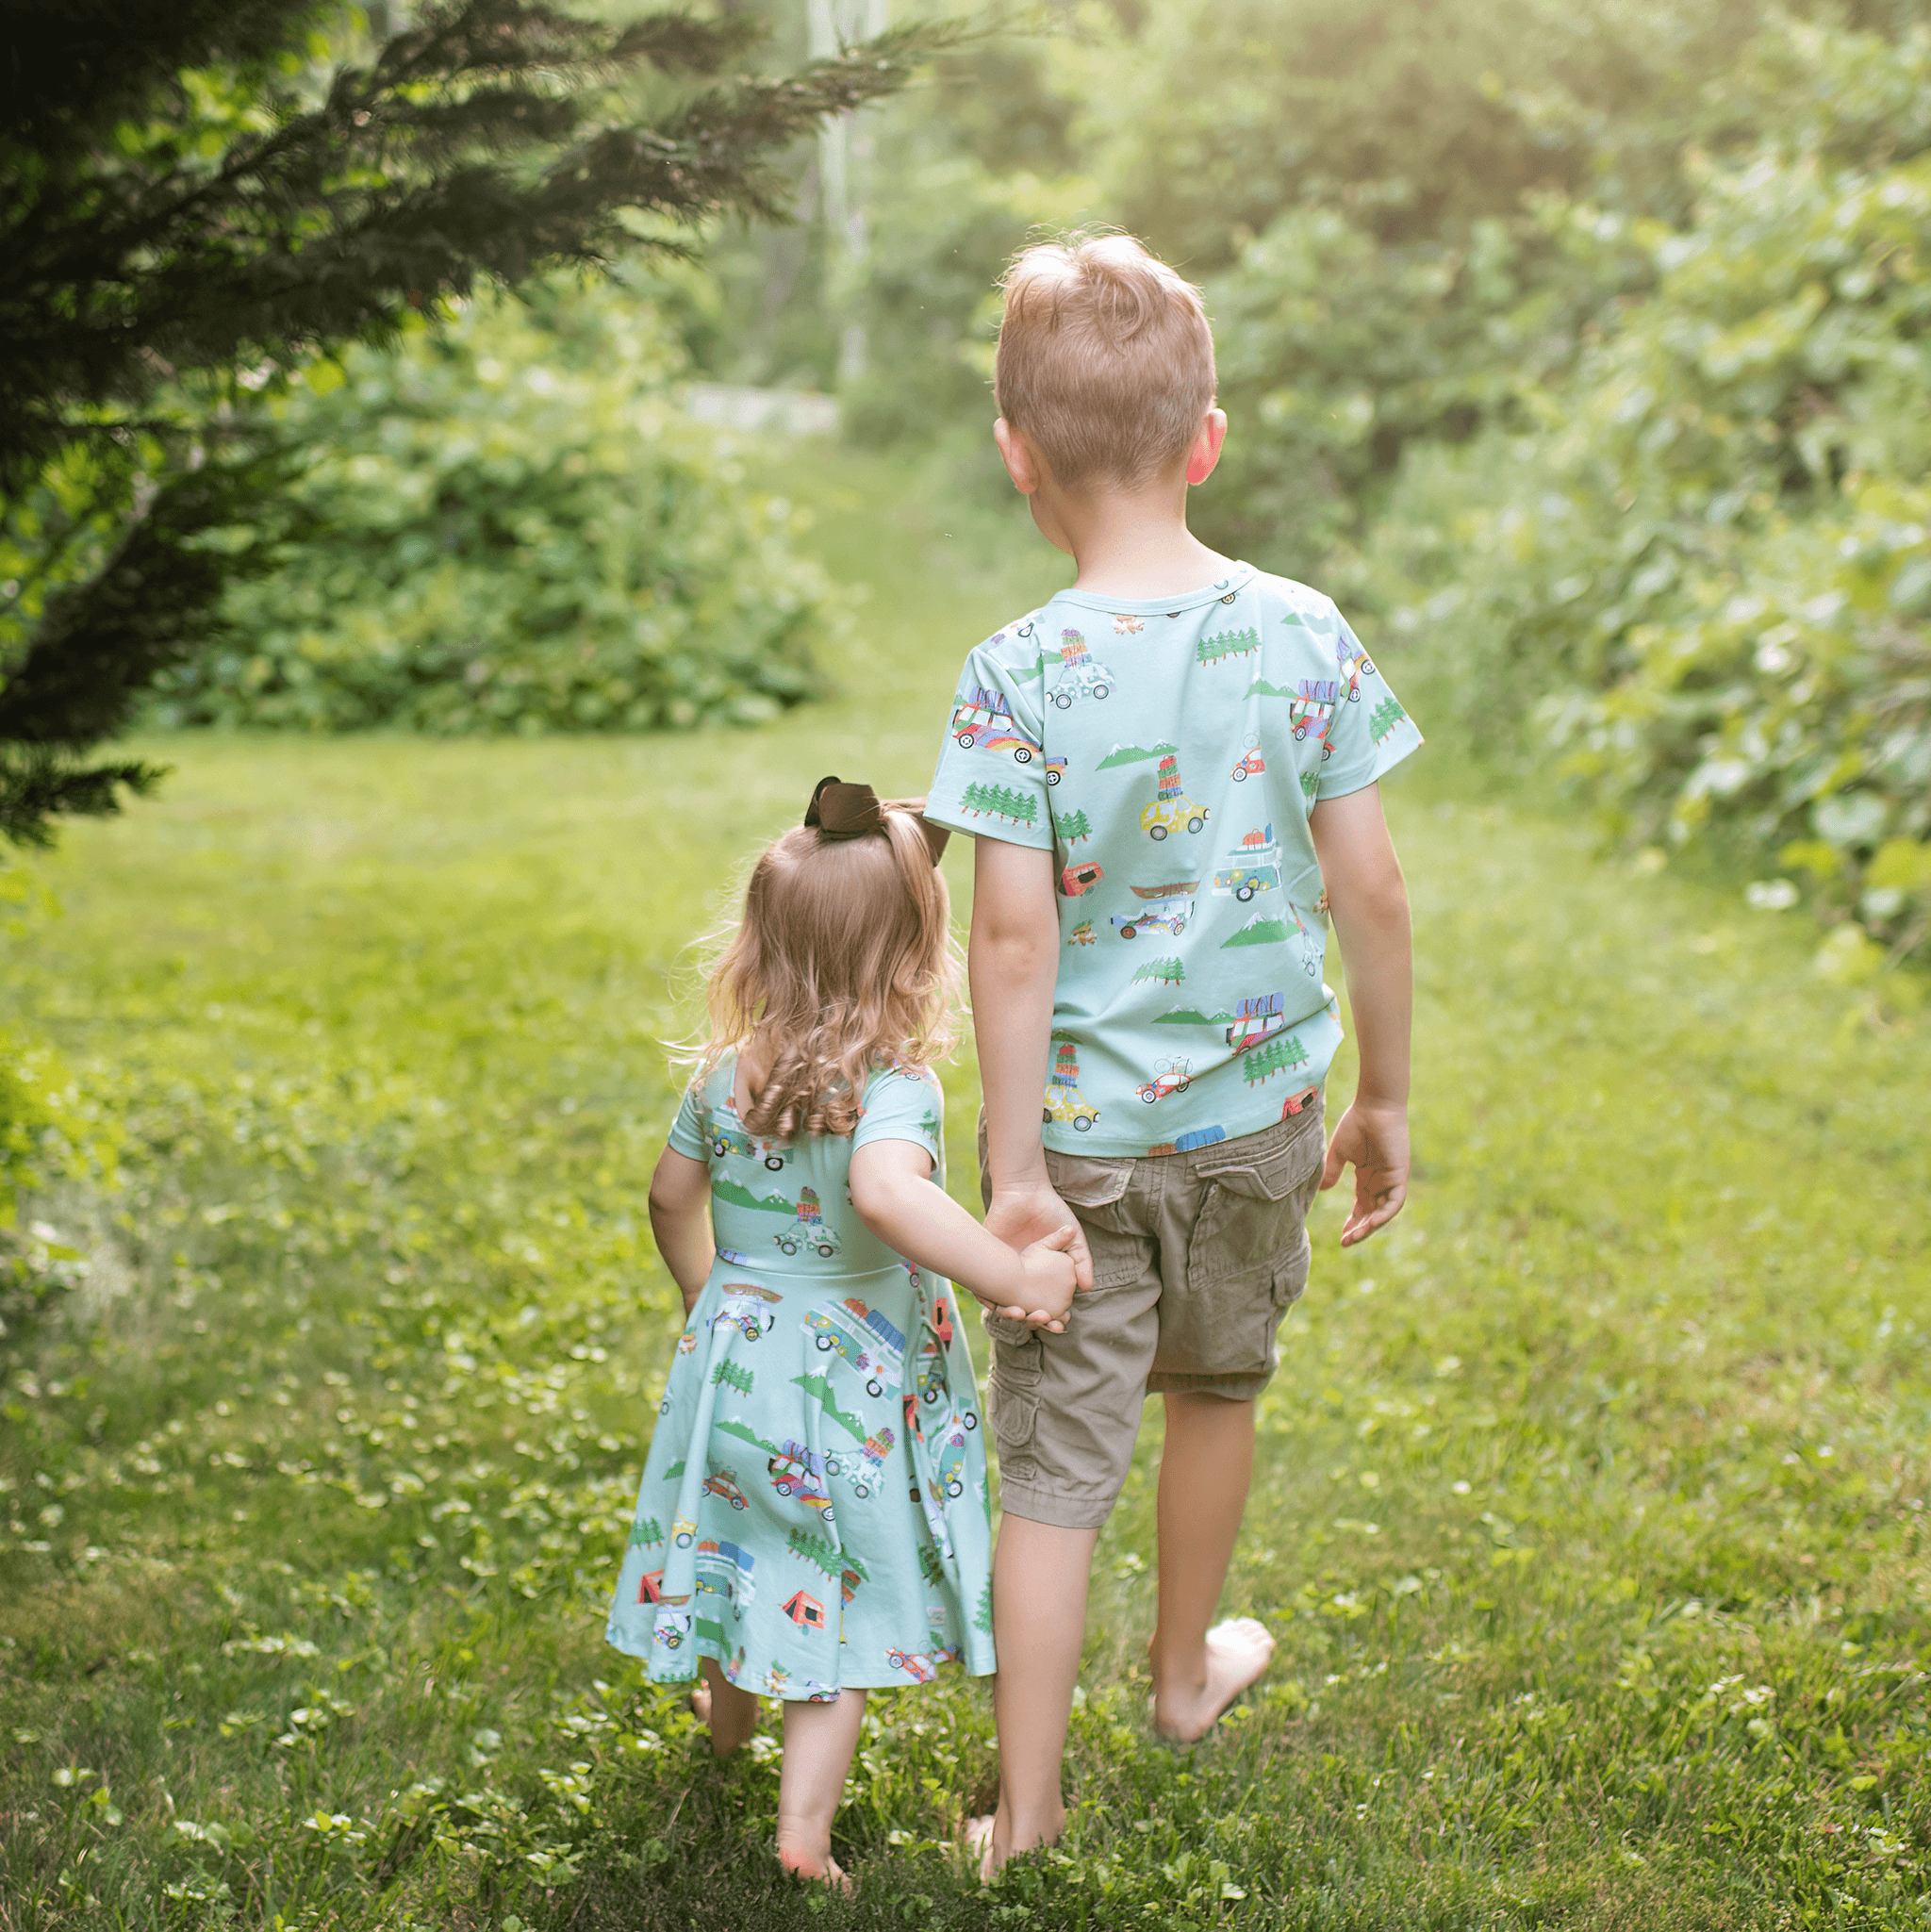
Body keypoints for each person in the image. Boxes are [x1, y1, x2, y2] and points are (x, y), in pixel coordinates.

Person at [922, 233, 1424, 1873]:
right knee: (1217, 1381)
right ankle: (1183, 1670)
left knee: (1054, 1463)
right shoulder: (1302, 630)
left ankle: (1030, 1805)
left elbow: (1008, 939)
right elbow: (1370, 885)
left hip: (1076, 1145)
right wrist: (1386, 1092)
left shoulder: (1014, 674)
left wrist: (1006, 1175)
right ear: (1206, 437)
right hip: (1260, 1120)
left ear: (1017, 455)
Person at [606, 777, 1078, 1890]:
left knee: (734, 1542)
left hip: (730, 1361)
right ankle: (802, 1838)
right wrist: (1014, 1269)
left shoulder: (724, 1078)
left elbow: (668, 1199)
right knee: (829, 1591)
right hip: (844, 1386)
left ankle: (720, 1726)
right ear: (915, 954)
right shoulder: (893, 1090)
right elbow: (886, 1197)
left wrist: (704, 1298)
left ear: (758, 945)